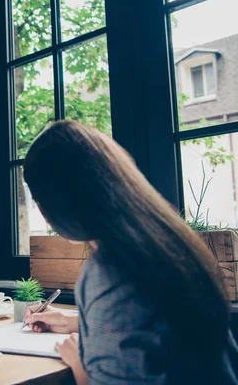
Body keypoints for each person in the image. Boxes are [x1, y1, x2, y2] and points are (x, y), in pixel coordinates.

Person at [22, 120, 238, 384]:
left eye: (39, 201)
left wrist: (79, 360)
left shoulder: (111, 271)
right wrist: (72, 322)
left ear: (63, 203)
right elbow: (156, 328)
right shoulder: (170, 243)